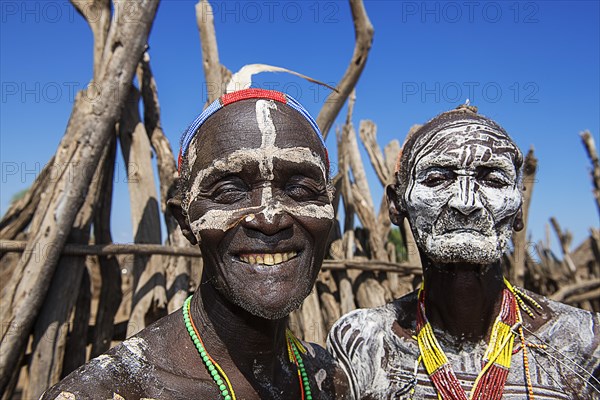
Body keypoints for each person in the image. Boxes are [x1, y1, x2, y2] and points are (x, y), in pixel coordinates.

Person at [42, 89, 349, 399]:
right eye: (230, 192)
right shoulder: (108, 392)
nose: (270, 219)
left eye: (301, 189)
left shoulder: (329, 378)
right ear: (185, 222)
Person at [327, 105, 600, 400]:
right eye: (436, 179)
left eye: (493, 180)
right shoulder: (365, 342)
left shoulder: (583, 342)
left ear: (518, 208)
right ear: (397, 204)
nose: (465, 202)